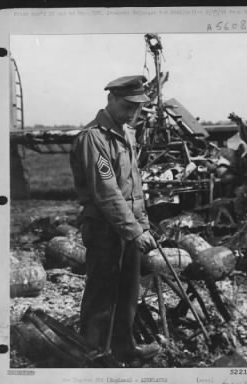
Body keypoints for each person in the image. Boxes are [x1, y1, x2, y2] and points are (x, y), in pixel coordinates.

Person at [70, 75, 160, 362]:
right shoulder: (93, 138)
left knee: (127, 293)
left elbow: (134, 186)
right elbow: (106, 192)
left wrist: (143, 224)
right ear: (111, 99)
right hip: (105, 230)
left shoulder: (126, 134)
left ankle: (125, 348)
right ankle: (94, 354)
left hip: (128, 230)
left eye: (138, 107)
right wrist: (134, 230)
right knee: (102, 296)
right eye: (128, 105)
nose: (133, 113)